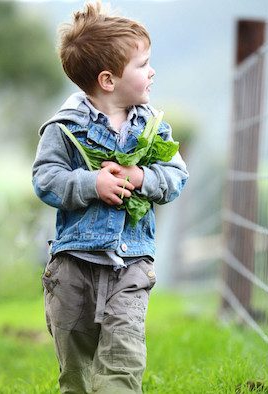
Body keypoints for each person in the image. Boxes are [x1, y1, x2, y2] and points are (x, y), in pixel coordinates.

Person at [32, 1, 188, 392]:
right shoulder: (65, 129)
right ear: (108, 80)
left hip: (132, 264)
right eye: (142, 64)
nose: (151, 72)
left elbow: (175, 176)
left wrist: (140, 176)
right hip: (73, 266)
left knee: (123, 355)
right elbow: (46, 179)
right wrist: (90, 184)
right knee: (76, 367)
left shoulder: (153, 127)